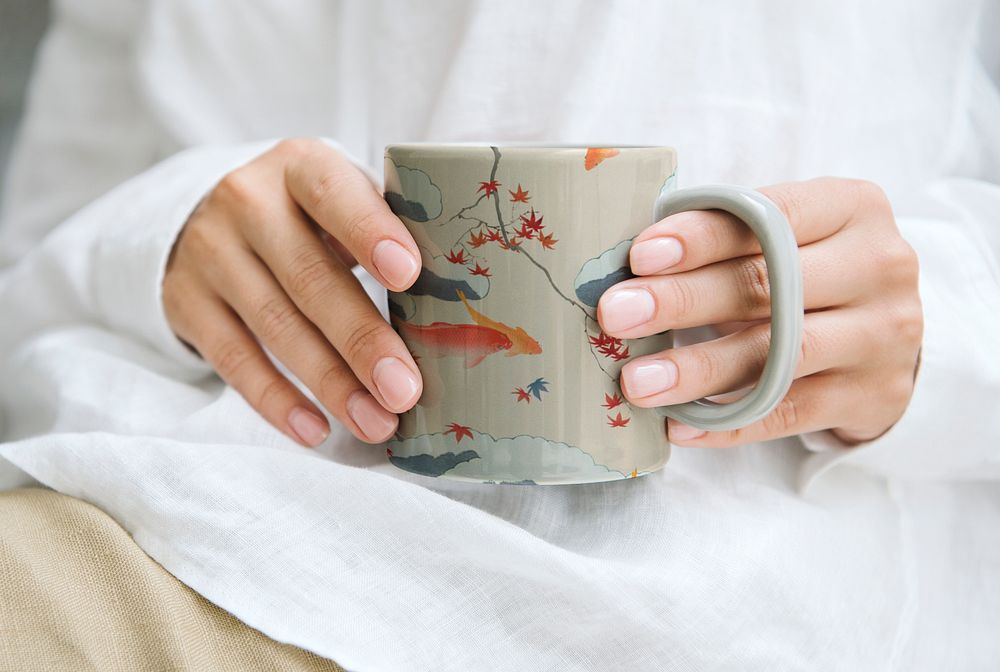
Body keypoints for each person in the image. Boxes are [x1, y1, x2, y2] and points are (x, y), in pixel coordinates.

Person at [0, 1, 997, 670]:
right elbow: (37, 249)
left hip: (770, 593)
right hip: (222, 523)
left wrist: (932, 327)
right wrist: (167, 235)